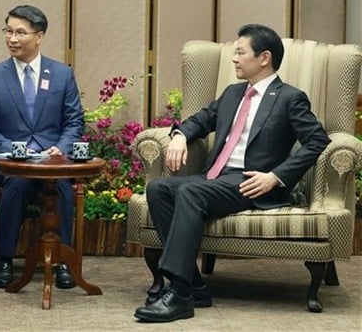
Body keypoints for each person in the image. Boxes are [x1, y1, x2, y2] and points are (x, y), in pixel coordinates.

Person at [134, 24, 331, 323]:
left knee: (189, 191)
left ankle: (180, 293)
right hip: (216, 177)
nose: (234, 59)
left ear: (264, 57)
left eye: (240, 52)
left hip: (252, 182)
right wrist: (179, 136)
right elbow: (200, 120)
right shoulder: (232, 93)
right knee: (159, 189)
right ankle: (197, 285)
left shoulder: (290, 98)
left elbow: (318, 140)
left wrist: (275, 177)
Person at [0, 5, 84, 289]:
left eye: (20, 32)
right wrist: (15, 150)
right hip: (12, 163)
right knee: (17, 185)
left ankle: (62, 261)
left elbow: (74, 121)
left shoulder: (62, 74)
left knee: (59, 186)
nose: (12, 38)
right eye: (8, 31)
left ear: (39, 36)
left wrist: (60, 148)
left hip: (52, 161)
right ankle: (5, 259)